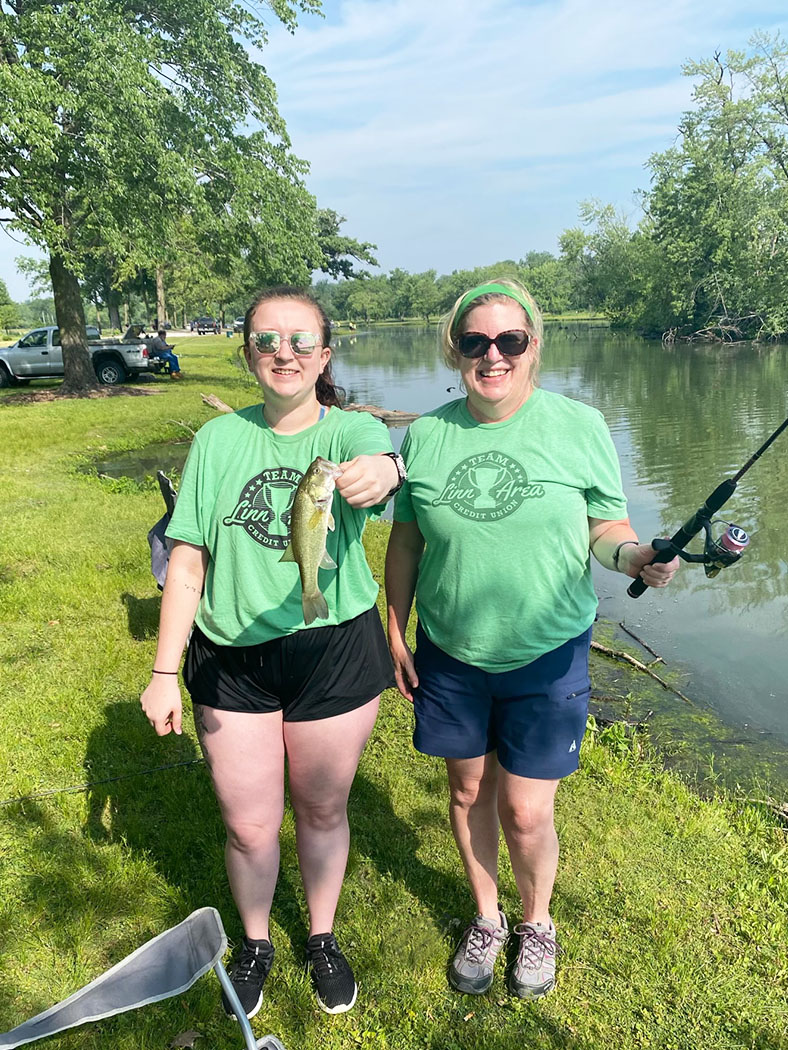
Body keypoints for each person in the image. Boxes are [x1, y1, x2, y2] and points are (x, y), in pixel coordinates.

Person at [385, 279, 678, 1001]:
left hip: (547, 652)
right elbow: (405, 543)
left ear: (533, 347)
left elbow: (605, 529)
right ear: (456, 350)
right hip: (451, 649)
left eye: (508, 340)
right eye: (475, 341)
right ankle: (487, 918)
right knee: (467, 789)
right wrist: (394, 628)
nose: (492, 355)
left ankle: (537, 923)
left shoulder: (579, 426)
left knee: (525, 809)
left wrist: (636, 557)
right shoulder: (425, 436)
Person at [140, 286, 405, 1018]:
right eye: (266, 340)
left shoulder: (350, 430)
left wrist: (388, 471)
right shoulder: (218, 442)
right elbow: (186, 562)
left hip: (334, 648)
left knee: (322, 808)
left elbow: (381, 461)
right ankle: (256, 943)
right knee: (247, 821)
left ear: (323, 355)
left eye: (299, 341)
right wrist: (166, 671)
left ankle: (320, 935)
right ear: (247, 353)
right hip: (233, 659)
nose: (282, 353)